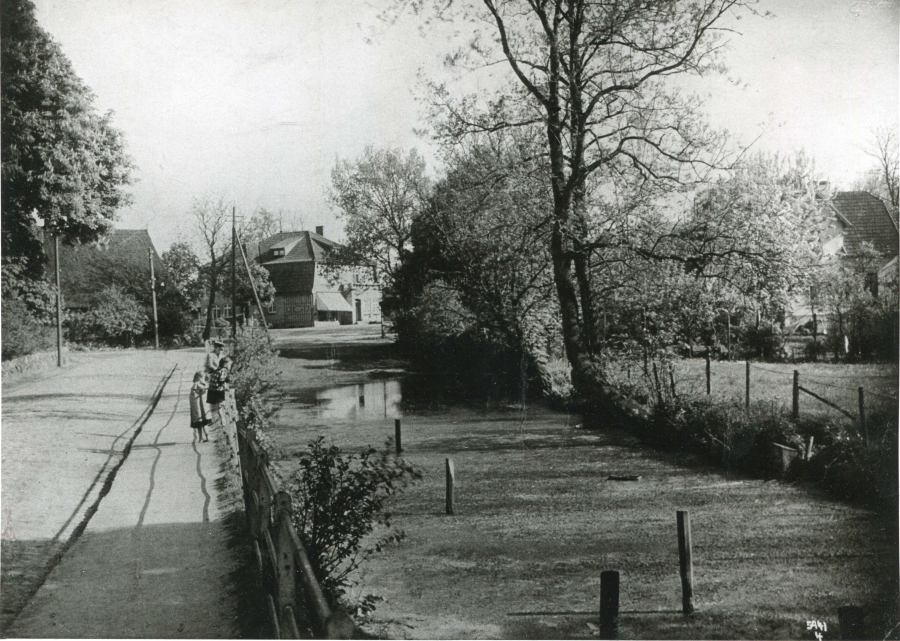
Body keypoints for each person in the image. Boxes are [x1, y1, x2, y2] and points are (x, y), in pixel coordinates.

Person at [189, 371, 211, 442]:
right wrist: (204, 382)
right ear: (199, 378)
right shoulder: (197, 384)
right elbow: (207, 387)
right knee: (203, 423)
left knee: (201, 423)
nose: (203, 379)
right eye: (202, 378)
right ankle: (205, 437)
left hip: (199, 406)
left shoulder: (196, 384)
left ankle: (202, 438)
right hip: (199, 407)